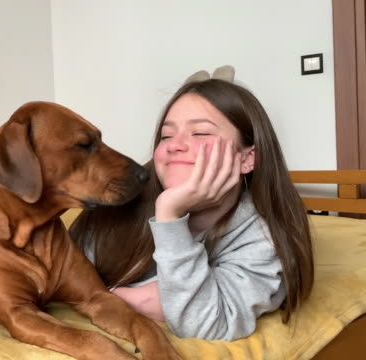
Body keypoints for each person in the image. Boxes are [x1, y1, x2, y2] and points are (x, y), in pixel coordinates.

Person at [69, 67, 314, 341]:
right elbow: (59, 272)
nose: (175, 145)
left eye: (200, 133)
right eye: (166, 136)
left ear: (246, 159)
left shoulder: (264, 238)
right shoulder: (121, 201)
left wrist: (169, 215)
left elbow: (206, 323)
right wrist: (121, 297)